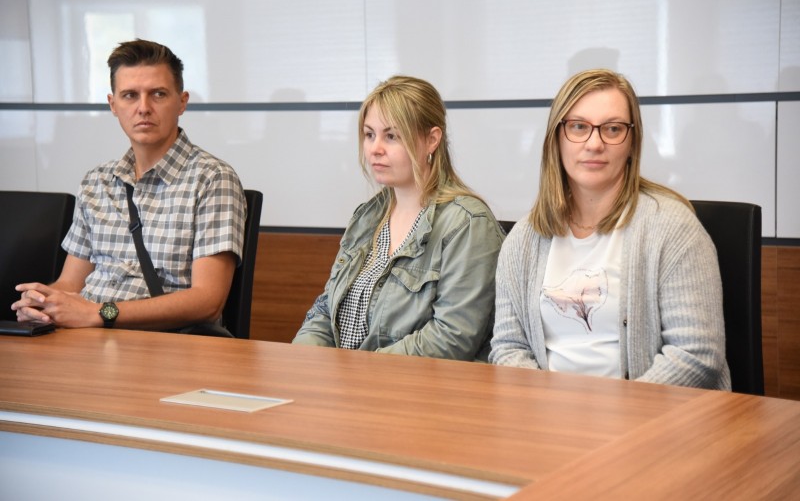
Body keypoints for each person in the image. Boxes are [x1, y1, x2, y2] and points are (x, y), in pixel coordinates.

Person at [490, 69, 730, 389]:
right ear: (556, 138)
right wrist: (545, 406)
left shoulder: (673, 228)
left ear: (632, 142)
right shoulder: (523, 239)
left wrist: (623, 411)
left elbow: (696, 354)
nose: (594, 143)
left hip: (650, 414)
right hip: (548, 413)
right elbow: (508, 347)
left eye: (613, 129)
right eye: (578, 127)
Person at [12, 39, 246, 334]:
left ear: (182, 102)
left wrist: (100, 313)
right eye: (130, 95)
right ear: (113, 105)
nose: (143, 108)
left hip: (164, 343)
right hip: (88, 338)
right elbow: (70, 283)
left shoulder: (212, 178)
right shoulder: (96, 181)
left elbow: (207, 301)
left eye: (158, 94)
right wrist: (43, 302)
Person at [293, 75, 504, 360]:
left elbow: (452, 337)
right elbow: (326, 310)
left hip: (406, 383)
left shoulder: (468, 223)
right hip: (347, 378)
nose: (375, 148)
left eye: (391, 136)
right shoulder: (368, 216)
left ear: (432, 140)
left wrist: (357, 372)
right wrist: (302, 361)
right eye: (369, 135)